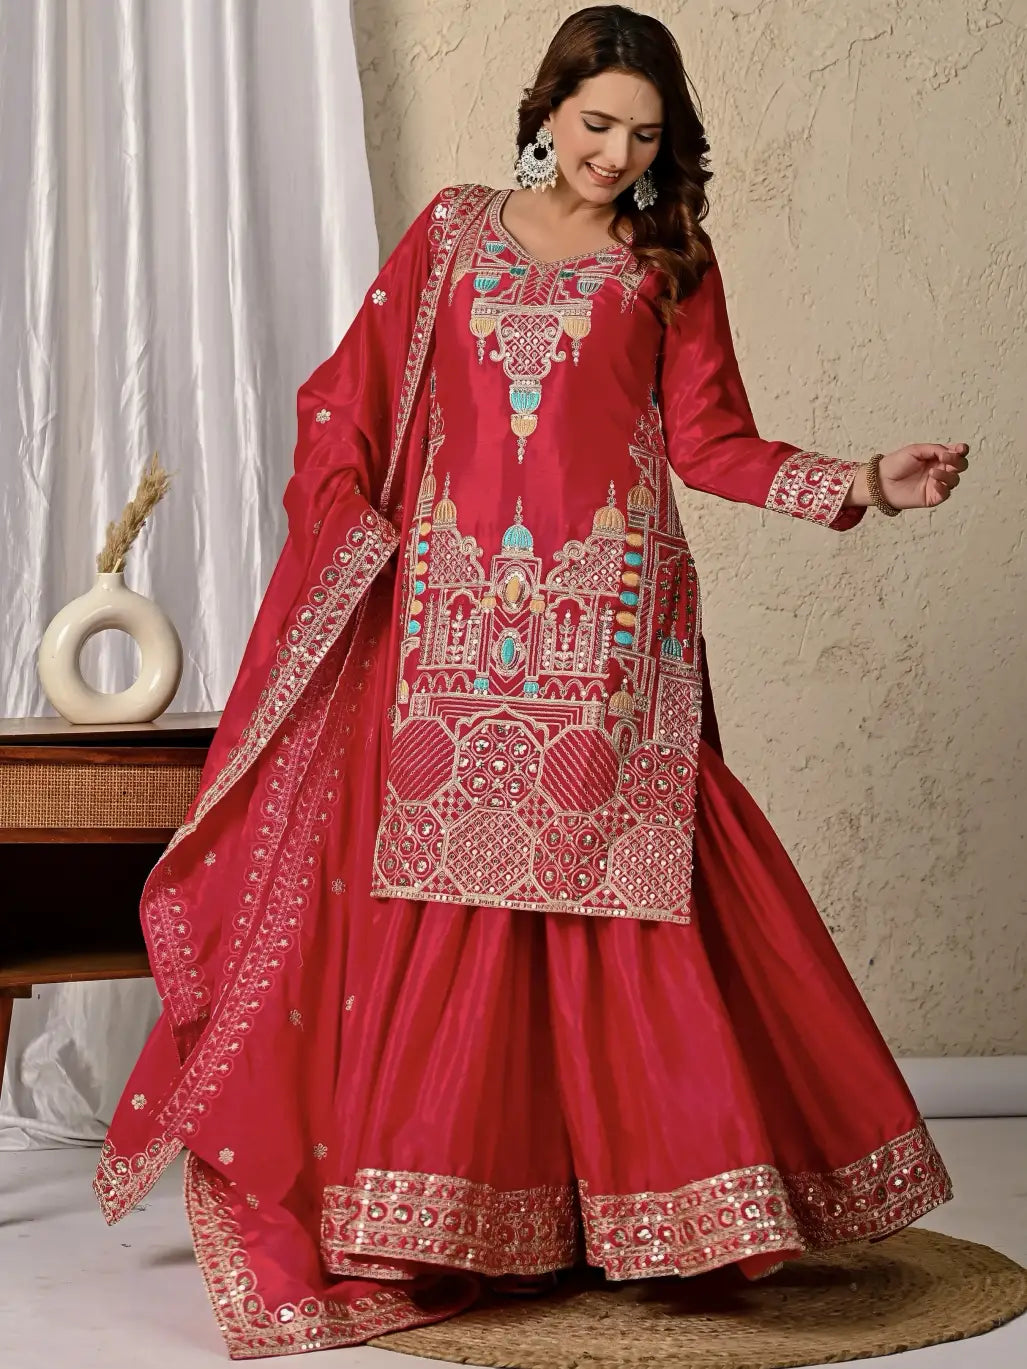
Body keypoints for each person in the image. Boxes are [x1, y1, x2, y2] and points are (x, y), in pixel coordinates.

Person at [94, 6, 967, 1358]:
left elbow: (715, 443)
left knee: (627, 896)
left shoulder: (669, 261)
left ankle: (653, 1217)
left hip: (608, 632)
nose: (616, 154)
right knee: (456, 908)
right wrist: (355, 526)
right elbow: (346, 404)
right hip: (446, 631)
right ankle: (444, 1220)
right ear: (548, 107)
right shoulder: (448, 236)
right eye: (597, 121)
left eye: (645, 135)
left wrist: (859, 483)